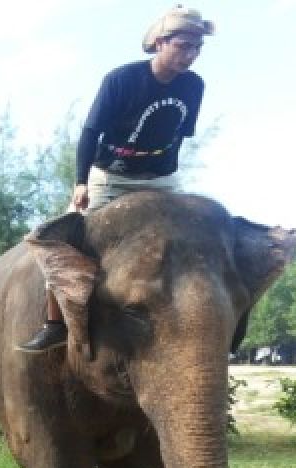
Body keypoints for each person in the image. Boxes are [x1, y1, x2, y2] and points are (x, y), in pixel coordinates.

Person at [17, 5, 214, 353]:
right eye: (183, 45)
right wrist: (81, 182)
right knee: (64, 242)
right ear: (159, 42)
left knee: (199, 240)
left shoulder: (194, 86)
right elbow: (91, 132)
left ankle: (206, 323)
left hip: (162, 179)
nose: (191, 54)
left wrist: (170, 182)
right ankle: (54, 324)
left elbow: (178, 136)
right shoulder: (122, 80)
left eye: (197, 48)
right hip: (110, 177)